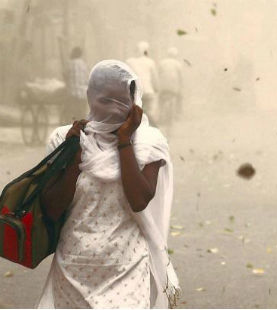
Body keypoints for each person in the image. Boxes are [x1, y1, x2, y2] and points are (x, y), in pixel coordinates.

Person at [37, 60, 179, 308]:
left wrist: (124, 140)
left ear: (134, 102)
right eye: (105, 100)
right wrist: (72, 156)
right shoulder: (64, 139)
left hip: (127, 267)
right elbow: (52, 207)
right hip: (74, 269)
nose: (114, 109)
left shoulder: (148, 142)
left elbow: (139, 199)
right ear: (89, 96)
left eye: (122, 101)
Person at [126, 41, 159, 123]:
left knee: (134, 114)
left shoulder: (129, 61)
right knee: (149, 112)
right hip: (148, 91)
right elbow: (155, 78)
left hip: (135, 92)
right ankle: (154, 127)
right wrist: (156, 88)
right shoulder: (150, 62)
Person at [63, 46, 89, 123]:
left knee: (71, 113)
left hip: (72, 94)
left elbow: (65, 75)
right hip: (83, 94)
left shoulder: (69, 64)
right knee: (82, 114)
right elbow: (87, 78)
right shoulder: (84, 65)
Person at [158, 47, 183, 124]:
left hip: (163, 86)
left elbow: (159, 73)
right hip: (173, 87)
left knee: (161, 100)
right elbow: (181, 77)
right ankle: (178, 113)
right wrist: (181, 86)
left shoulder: (162, 62)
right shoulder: (178, 64)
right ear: (175, 55)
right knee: (180, 97)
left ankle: (160, 114)